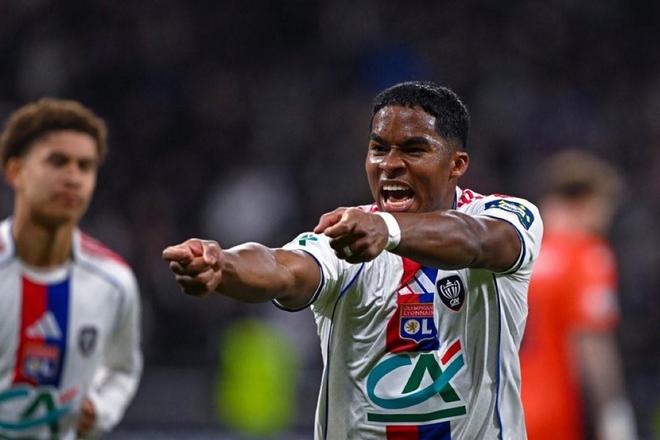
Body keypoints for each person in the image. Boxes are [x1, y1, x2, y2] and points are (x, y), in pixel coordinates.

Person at [163, 81, 543, 439]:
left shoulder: (506, 216)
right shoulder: (348, 237)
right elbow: (282, 268)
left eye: (413, 150)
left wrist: (387, 229)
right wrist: (223, 264)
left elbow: (480, 241)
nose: (390, 164)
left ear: (456, 164)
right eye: (379, 149)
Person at [0, 98, 142, 439]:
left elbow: (123, 369)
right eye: (58, 161)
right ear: (16, 171)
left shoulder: (114, 282)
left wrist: (101, 409)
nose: (73, 178)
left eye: (85, 166)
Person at [520, 150, 637, 440]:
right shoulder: (586, 254)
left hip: (506, 409)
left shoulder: (519, 254)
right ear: (582, 203)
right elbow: (592, 341)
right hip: (552, 415)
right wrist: (612, 411)